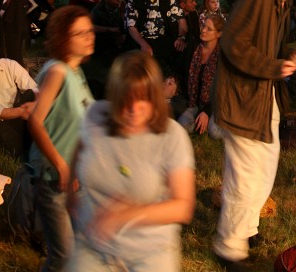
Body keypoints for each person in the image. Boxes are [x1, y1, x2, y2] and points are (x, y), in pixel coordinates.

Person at [209, 0, 296, 267]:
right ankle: (229, 247)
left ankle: (247, 226)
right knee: (245, 173)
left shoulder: (283, 2)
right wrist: (272, 67)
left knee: (266, 161)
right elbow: (233, 43)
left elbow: (269, 46)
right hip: (242, 98)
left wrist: (288, 57)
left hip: (263, 96)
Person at [70, 51, 201, 271]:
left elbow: (183, 206)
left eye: (143, 99)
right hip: (94, 245)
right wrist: (70, 194)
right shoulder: (95, 116)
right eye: (126, 100)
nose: (133, 109)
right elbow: (78, 150)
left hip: (148, 252)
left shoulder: (172, 136)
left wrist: (124, 216)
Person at [29, 5, 100, 269]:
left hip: (74, 181)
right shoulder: (57, 72)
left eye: (90, 30)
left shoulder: (76, 72)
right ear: (63, 38)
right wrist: (61, 165)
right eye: (81, 33)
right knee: (64, 257)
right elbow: (35, 121)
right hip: (53, 180)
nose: (89, 37)